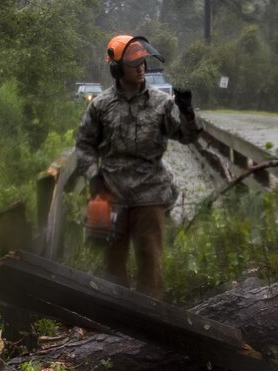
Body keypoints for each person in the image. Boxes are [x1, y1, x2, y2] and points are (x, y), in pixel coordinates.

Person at [75, 34, 202, 297]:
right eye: (134, 64)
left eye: (143, 62)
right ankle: (116, 328)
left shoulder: (161, 103)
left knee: (150, 264)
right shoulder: (101, 106)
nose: (141, 67)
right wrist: (93, 176)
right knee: (113, 268)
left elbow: (187, 137)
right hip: (112, 195)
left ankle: (150, 324)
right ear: (117, 69)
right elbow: (84, 144)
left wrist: (188, 113)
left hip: (150, 195)